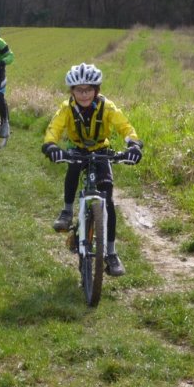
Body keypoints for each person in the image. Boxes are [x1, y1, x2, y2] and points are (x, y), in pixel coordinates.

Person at [41, 62, 143, 277]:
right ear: (72, 91)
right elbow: (54, 128)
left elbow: (124, 126)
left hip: (101, 151)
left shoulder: (107, 107)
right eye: (79, 90)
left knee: (107, 199)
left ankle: (112, 254)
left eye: (88, 89)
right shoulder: (66, 108)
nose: (84, 94)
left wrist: (133, 144)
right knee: (73, 169)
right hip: (77, 150)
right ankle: (67, 211)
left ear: (97, 90)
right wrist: (51, 145)